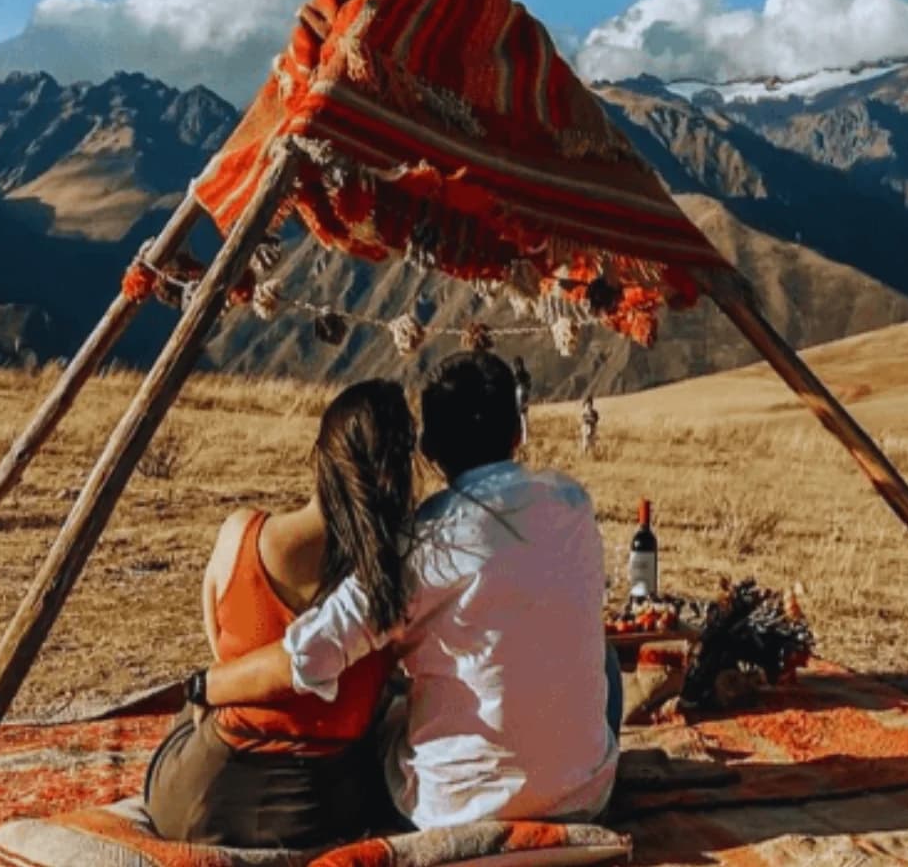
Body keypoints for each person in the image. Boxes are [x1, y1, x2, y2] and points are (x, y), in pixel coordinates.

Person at [193, 351, 620, 831]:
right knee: (603, 662)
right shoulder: (574, 503)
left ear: (430, 448)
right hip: (583, 796)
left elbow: (309, 656)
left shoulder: (420, 543)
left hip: (456, 811)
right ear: (518, 432)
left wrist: (204, 685)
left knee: (390, 708)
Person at [143, 380, 415, 848]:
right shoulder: (398, 572)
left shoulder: (242, 535)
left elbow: (220, 652)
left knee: (196, 707)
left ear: (320, 459)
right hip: (329, 811)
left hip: (201, 803)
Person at [512, 356, 533, 443]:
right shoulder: (527, 374)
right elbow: (529, 386)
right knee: (524, 418)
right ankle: (525, 439)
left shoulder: (516, 375)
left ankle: (521, 439)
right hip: (525, 396)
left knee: (520, 419)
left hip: (519, 395)